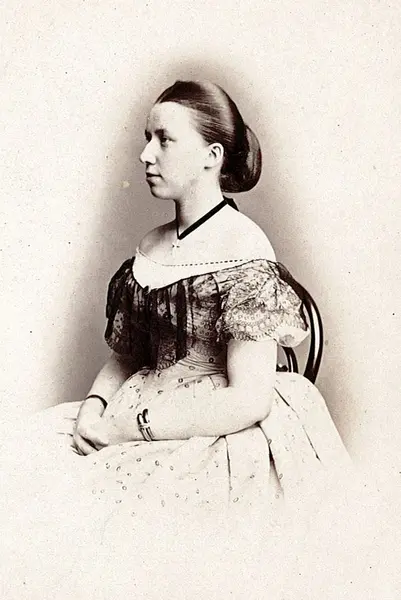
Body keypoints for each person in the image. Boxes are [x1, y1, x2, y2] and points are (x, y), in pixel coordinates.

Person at [0, 80, 396, 600]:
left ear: (212, 156)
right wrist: (93, 409)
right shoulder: (150, 245)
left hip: (213, 429)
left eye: (164, 139)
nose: (146, 155)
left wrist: (129, 428)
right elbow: (126, 357)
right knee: (20, 463)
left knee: (112, 527)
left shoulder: (244, 248)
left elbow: (249, 399)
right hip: (133, 405)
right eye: (147, 138)